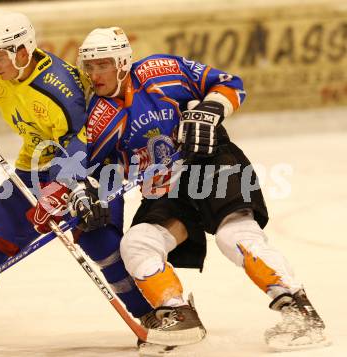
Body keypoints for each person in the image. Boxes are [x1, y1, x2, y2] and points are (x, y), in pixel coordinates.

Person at [70, 26, 328, 351]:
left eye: (103, 64)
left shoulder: (159, 72)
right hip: (166, 190)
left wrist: (210, 110)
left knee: (235, 237)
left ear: (122, 62)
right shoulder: (98, 116)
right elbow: (85, 166)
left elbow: (229, 84)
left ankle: (299, 311)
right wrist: (82, 189)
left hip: (211, 163)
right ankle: (178, 316)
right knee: (138, 244)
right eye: (89, 66)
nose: (94, 74)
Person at [0, 14, 152, 351]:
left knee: (102, 244)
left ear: (22, 52)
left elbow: (76, 144)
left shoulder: (59, 88)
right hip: (33, 165)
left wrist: (64, 189)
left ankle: (150, 313)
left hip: (89, 165)